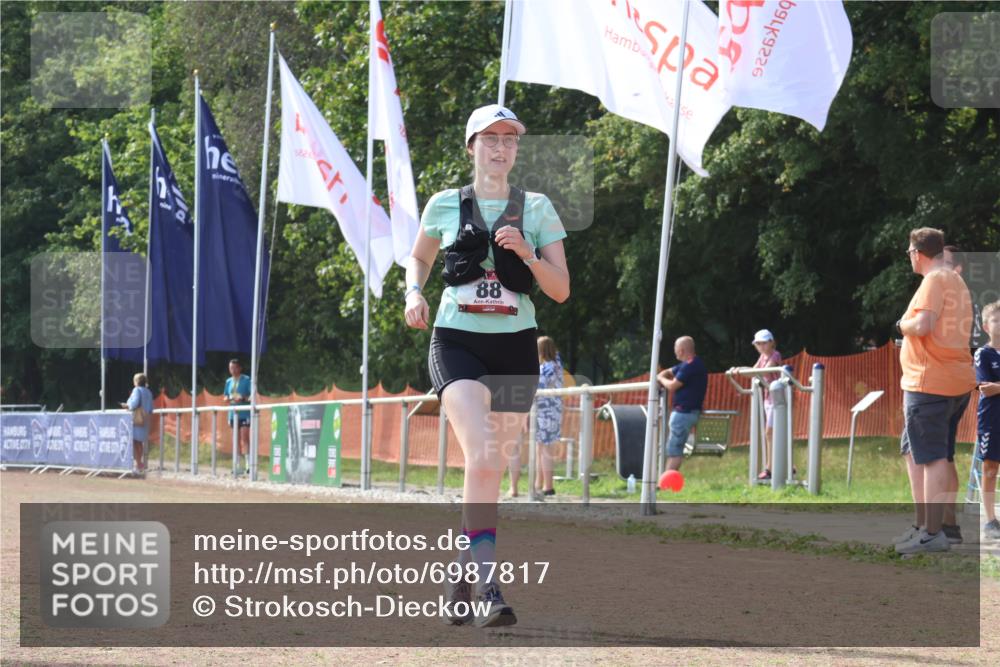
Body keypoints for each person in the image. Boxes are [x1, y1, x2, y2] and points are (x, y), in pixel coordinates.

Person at [404, 104, 569, 627]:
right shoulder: (444, 204)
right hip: (457, 342)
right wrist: (413, 291)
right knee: (482, 453)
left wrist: (528, 255)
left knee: (491, 465)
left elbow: (560, 290)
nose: (501, 148)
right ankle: (489, 587)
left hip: (516, 347)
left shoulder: (537, 208)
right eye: (491, 138)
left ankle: (461, 570)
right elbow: (420, 257)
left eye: (510, 139)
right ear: (471, 146)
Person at [894, 228, 976, 555]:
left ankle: (932, 533)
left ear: (918, 253)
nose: (909, 257)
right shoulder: (955, 280)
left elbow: (923, 325)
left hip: (930, 382)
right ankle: (926, 527)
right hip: (952, 379)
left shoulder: (933, 280)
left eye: (909, 252)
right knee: (923, 452)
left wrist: (901, 325)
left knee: (932, 458)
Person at [656, 336, 708, 472]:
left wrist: (660, 379)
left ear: (681, 350)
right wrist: (663, 374)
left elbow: (672, 386)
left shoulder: (689, 366)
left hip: (683, 413)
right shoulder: (692, 363)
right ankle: (666, 480)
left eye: (675, 348)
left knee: (674, 451)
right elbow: (669, 371)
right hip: (688, 412)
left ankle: (666, 481)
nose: (674, 351)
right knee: (674, 449)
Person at [975, 300, 1000, 540]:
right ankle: (990, 520)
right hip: (992, 419)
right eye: (996, 320)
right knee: (990, 468)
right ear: (986, 326)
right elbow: (986, 388)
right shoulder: (983, 354)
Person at [534, 336, 563, 496]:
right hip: (551, 411)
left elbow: (536, 387)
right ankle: (539, 483)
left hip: (546, 412)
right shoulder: (556, 366)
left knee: (545, 448)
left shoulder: (547, 368)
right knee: (542, 448)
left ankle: (548, 486)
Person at [121, 373, 154, 475]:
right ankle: (140, 465)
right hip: (145, 419)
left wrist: (127, 405)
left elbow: (134, 403)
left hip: (136, 420)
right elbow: (151, 408)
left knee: (134, 442)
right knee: (139, 443)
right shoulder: (149, 392)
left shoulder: (136, 390)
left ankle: (138, 465)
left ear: (136, 381)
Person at [224, 358, 252, 475]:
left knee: (245, 438)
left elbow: (252, 396)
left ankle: (249, 465)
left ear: (240, 368)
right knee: (236, 439)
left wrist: (243, 398)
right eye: (231, 368)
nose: (233, 370)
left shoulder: (247, 379)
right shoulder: (228, 381)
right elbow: (225, 397)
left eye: (235, 368)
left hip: (244, 413)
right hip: (233, 413)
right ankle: (237, 465)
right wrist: (229, 398)